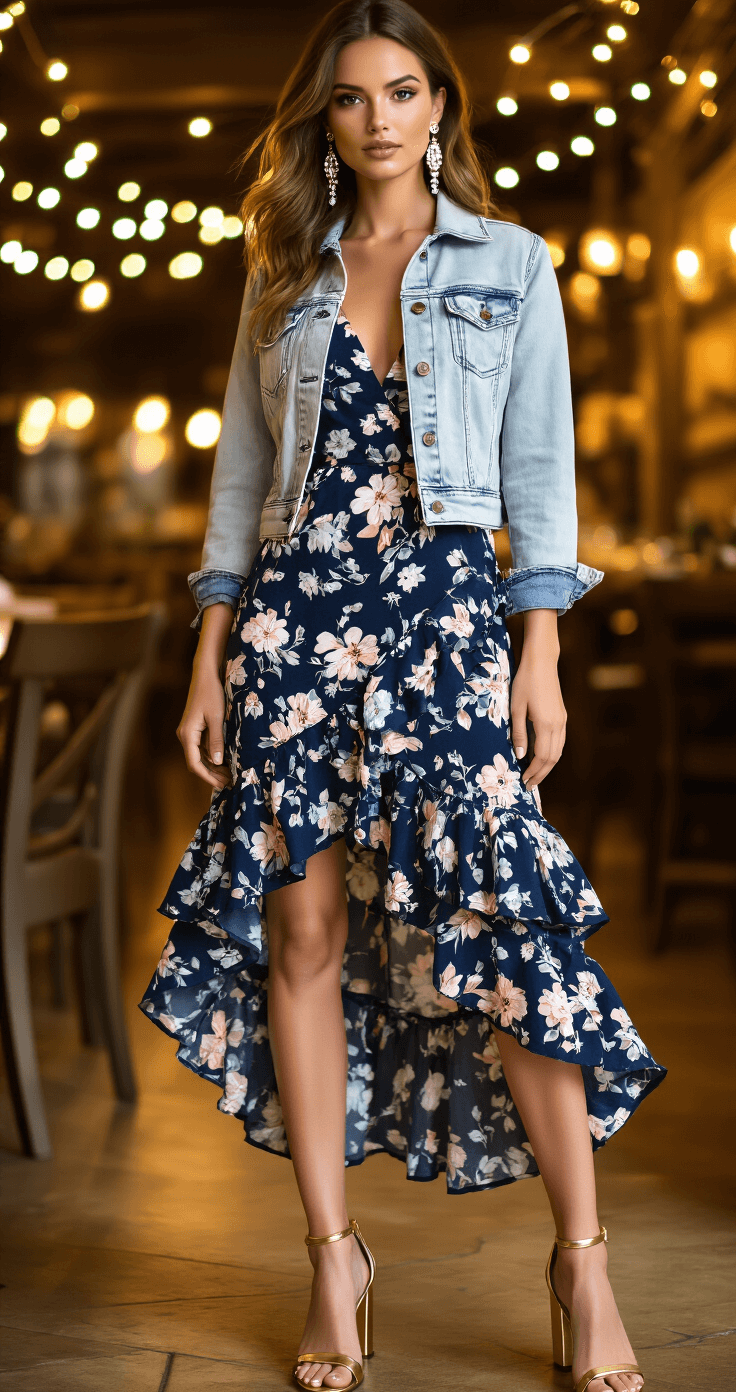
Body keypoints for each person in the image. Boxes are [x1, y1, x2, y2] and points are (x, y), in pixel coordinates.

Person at [139, 4, 666, 1389]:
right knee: (301, 930)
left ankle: (583, 1259)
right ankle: (333, 1256)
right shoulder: (282, 272)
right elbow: (242, 480)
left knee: (501, 931)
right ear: (324, 119)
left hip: (443, 620)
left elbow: (540, 471)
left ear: (440, 107)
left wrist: (540, 649)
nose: (378, 118)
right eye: (351, 97)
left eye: (403, 91)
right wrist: (209, 645)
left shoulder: (512, 261)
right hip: (295, 621)